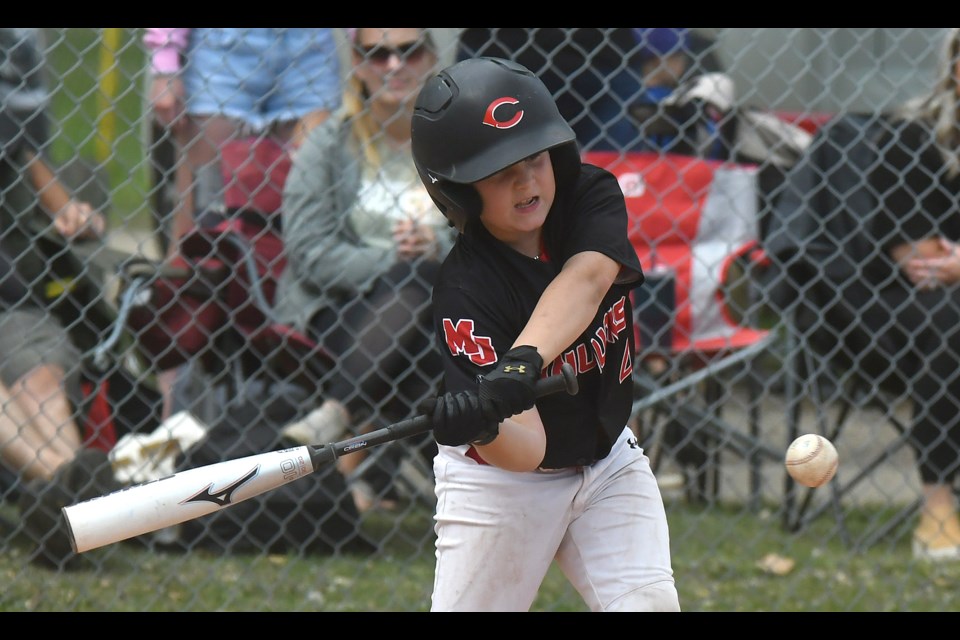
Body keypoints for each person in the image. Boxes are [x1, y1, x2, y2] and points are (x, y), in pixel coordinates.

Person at [410, 57, 680, 611]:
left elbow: (587, 279)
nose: (526, 181)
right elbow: (527, 450)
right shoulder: (466, 291)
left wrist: (521, 362)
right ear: (456, 192)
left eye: (534, 158)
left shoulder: (588, 196)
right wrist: (483, 425)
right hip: (503, 487)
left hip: (608, 461)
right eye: (498, 171)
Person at [274, 28, 453, 511]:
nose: (393, 65)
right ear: (356, 63)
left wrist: (436, 243)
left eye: (409, 50)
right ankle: (396, 475)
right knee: (424, 315)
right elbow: (309, 250)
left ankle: (337, 414)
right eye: (377, 54)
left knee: (424, 286)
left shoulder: (453, 142)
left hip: (434, 303)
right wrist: (393, 260)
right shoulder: (330, 144)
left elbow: (486, 234)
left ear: (432, 57)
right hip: (339, 305)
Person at [143, 28, 343, 424]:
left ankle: (288, 416)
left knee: (304, 233)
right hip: (222, 48)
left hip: (308, 49)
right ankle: (173, 419)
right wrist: (164, 60)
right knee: (194, 245)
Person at [0, 27, 117, 569]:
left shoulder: (10, 132)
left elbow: (59, 203)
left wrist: (74, 215)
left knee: (39, 370)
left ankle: (73, 479)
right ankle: (67, 497)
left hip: (8, 301)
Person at [864, 27, 960, 562]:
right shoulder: (912, 138)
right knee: (952, 315)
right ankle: (937, 503)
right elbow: (922, 261)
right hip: (905, 306)